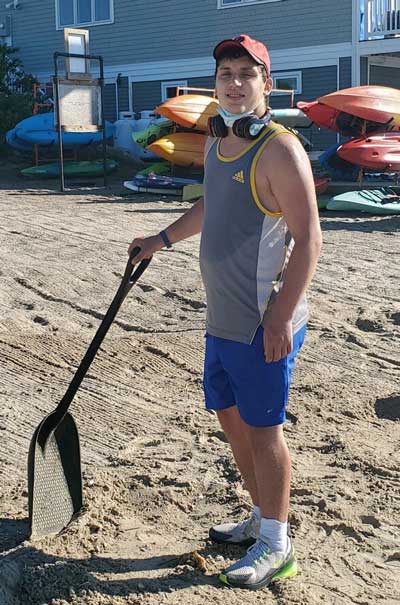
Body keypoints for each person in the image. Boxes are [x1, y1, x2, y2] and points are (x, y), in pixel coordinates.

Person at [128, 34, 322, 590]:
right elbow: (212, 204)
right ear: (214, 85)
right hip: (223, 320)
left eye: (246, 74)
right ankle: (262, 515)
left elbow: (310, 239)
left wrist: (282, 316)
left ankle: (277, 545)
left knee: (265, 432)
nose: (234, 84)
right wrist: (161, 238)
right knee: (232, 419)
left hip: (263, 321)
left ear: (267, 82)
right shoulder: (218, 143)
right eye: (225, 75)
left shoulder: (280, 149)